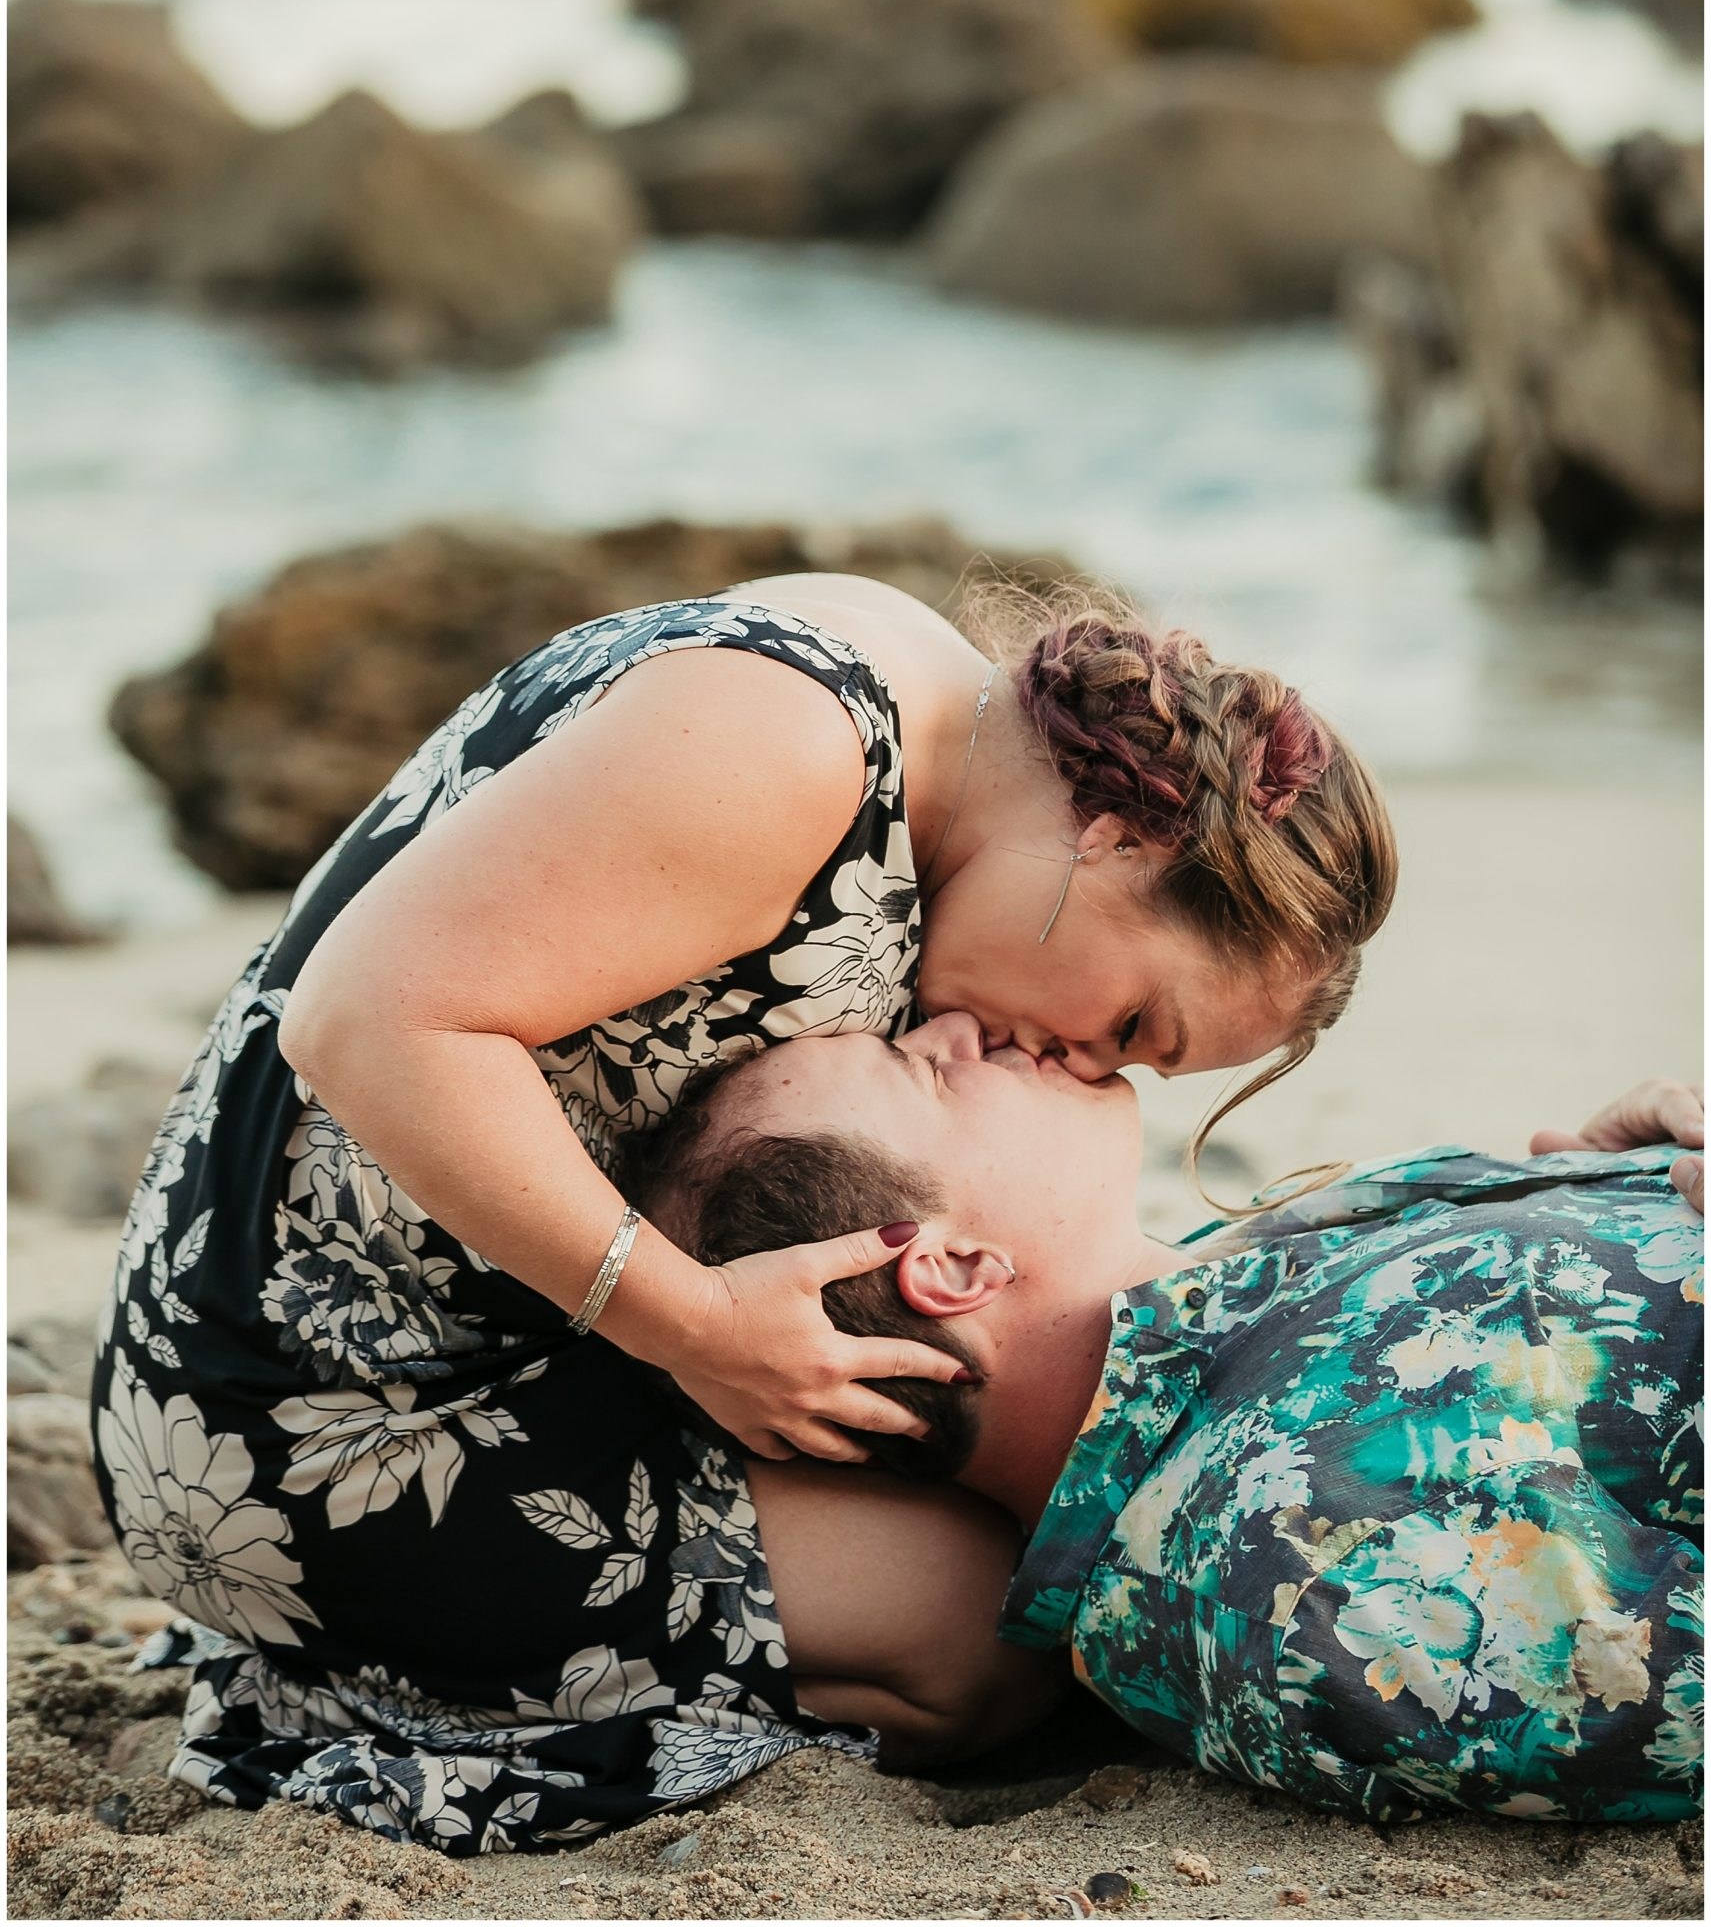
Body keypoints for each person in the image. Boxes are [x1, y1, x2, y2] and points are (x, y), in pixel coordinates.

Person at [91, 574, 1394, 1850]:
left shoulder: (914, 693)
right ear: (1120, 835)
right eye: (1124, 1029)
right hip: (313, 1424)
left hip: (519, 1331)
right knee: (987, 1636)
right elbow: (362, 1021)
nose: (1079, 1068)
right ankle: (370, 1681)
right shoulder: (791, 746)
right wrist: (690, 1322)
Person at [628, 1018, 1704, 1825]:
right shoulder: (1290, 1576)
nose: (961, 1022)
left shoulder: (1230, 1282)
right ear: (951, 1267)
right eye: (927, 1065)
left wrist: (1606, 1178)